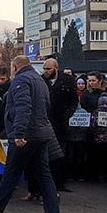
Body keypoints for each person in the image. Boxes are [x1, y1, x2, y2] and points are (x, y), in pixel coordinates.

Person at [0, 55, 60, 213]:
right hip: (41, 133)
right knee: (44, 174)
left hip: (26, 135)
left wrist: (19, 133)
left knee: (11, 172)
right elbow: (46, 107)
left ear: (14, 67)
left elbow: (23, 107)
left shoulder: (21, 81)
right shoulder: (40, 80)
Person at [42, 58, 78, 193]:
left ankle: (61, 182)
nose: (46, 72)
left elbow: (74, 99)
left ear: (56, 68)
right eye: (44, 69)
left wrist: (69, 113)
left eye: (48, 69)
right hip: (46, 120)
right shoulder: (41, 80)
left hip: (61, 121)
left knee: (61, 153)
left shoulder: (67, 80)